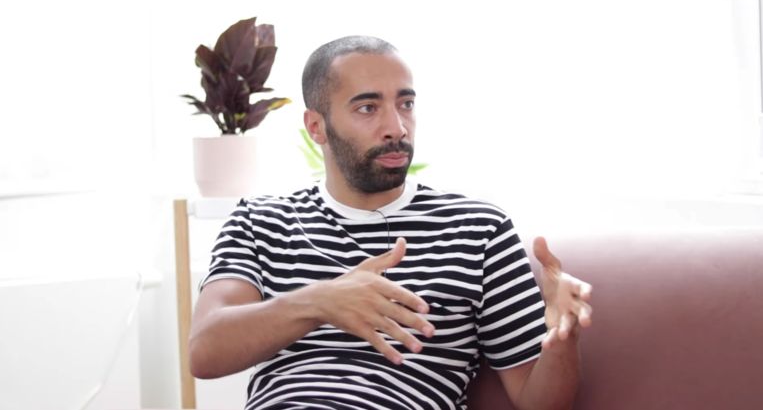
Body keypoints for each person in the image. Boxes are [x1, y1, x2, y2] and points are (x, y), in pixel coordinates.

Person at [190, 36, 593, 410]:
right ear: (316, 126)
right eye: (368, 108)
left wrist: (564, 335)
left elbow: (542, 403)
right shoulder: (260, 221)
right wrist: (319, 302)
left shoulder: (479, 230)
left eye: (406, 104)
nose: (397, 128)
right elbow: (205, 351)